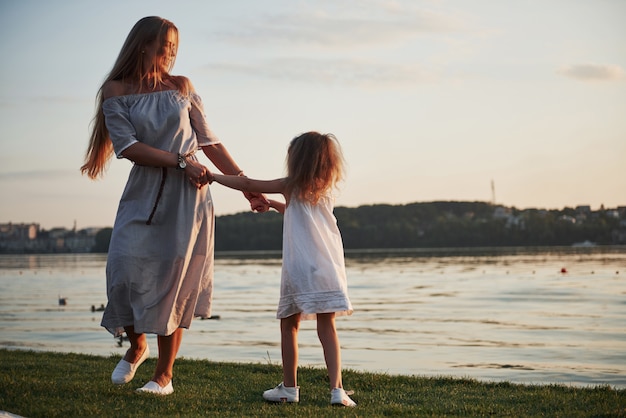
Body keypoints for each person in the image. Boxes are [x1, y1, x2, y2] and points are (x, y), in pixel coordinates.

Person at [80, 16, 267, 395]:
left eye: (174, 47)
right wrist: (181, 161)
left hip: (189, 199)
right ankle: (137, 346)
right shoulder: (116, 90)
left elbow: (210, 143)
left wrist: (245, 186)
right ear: (142, 44)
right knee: (122, 272)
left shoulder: (182, 87)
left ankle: (163, 375)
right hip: (144, 192)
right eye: (164, 45)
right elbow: (128, 147)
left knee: (176, 283)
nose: (170, 53)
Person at [207, 131, 356, 407]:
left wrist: (213, 176)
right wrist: (272, 204)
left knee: (290, 324)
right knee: (328, 326)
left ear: (297, 160)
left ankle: (289, 387)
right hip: (328, 266)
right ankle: (338, 391)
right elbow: (297, 213)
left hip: (300, 266)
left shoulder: (289, 184)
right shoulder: (325, 189)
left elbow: (248, 182)